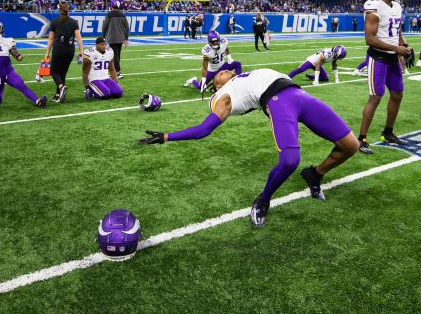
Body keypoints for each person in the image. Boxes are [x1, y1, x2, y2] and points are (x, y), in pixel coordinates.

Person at [137, 67, 360, 228]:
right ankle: (263, 200)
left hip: (299, 94)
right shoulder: (223, 96)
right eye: (218, 75)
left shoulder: (242, 76)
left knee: (350, 145)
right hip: (278, 101)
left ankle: (315, 174)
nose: (223, 71)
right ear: (217, 85)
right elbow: (203, 130)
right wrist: (167, 136)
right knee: (290, 160)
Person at [356, 0, 412, 154]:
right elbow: (370, 39)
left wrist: (404, 46)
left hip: (392, 58)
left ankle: (388, 132)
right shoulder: (373, 6)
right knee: (375, 97)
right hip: (378, 57)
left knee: (397, 94)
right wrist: (397, 49)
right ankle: (362, 138)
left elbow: (397, 31)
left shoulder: (396, 6)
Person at [0, 17, 49, 108]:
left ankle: (38, 101)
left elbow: (13, 50)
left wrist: (17, 55)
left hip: (8, 72)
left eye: (0, 28)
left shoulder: (7, 40)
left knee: (21, 85)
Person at [44, 2, 83, 102]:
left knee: (53, 71)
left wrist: (47, 53)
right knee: (62, 73)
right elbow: (78, 38)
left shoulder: (54, 22)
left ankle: (61, 87)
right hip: (70, 49)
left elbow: (50, 40)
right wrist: (81, 51)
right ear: (68, 10)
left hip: (59, 48)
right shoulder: (74, 22)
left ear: (59, 10)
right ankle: (58, 95)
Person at [101, 0, 129, 78]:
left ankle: (118, 72)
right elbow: (127, 28)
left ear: (111, 6)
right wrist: (126, 38)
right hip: (120, 38)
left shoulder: (109, 15)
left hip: (112, 37)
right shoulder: (122, 15)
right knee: (117, 54)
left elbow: (104, 27)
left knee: (115, 55)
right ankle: (116, 70)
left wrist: (103, 37)